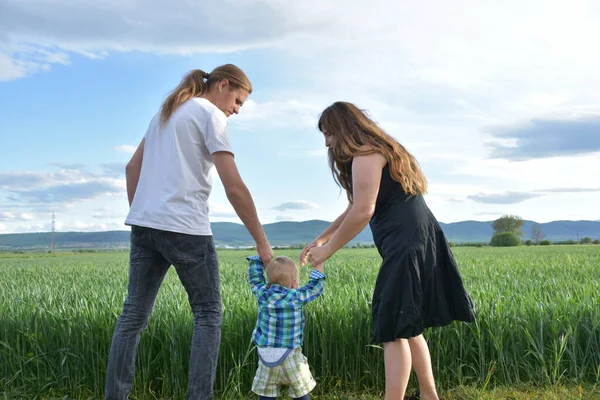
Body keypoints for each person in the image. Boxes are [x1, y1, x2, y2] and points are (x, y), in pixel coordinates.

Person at [105, 64, 273, 400]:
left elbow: (131, 167)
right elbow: (234, 187)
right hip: (186, 229)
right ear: (223, 85)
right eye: (238, 100)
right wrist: (263, 245)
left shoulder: (166, 112)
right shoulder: (210, 115)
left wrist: (143, 212)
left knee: (133, 316)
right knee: (208, 314)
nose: (237, 110)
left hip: (144, 225)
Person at [301, 102, 474, 400]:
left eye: (329, 133)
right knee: (407, 323)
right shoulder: (379, 149)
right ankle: (430, 396)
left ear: (344, 128)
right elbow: (355, 206)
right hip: (418, 240)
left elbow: (363, 211)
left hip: (405, 244)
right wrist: (321, 239)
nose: (327, 142)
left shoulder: (366, 152)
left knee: (392, 328)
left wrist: (328, 251)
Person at [247, 255, 326, 400]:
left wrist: (256, 261)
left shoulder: (263, 294)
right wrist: (319, 264)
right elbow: (315, 288)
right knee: (301, 391)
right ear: (294, 283)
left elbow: (255, 279)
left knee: (266, 393)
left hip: (266, 356)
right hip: (290, 355)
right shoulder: (296, 297)